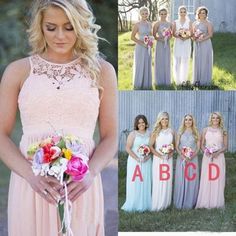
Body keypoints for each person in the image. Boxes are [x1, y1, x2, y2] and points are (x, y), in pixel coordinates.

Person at [0, 1, 118, 235]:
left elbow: (111, 136)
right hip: (31, 186)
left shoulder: (102, 71)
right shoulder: (18, 71)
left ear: (81, 25)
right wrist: (29, 175)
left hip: (81, 186)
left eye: (69, 27)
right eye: (51, 27)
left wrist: (90, 173)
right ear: (40, 27)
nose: (60, 36)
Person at [196, 112, 227, 209]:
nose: (215, 120)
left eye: (217, 118)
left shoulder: (223, 131)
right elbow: (201, 144)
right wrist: (206, 151)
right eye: (213, 118)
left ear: (220, 119)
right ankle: (205, 201)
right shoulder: (205, 130)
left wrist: (217, 153)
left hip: (219, 157)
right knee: (207, 178)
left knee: (217, 178)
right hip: (207, 157)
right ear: (211, 119)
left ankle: (216, 202)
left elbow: (226, 146)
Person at [121, 115, 152, 212]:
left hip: (146, 161)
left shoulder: (150, 134)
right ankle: (134, 202)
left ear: (146, 123)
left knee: (145, 181)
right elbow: (127, 148)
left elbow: (152, 148)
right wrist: (137, 158)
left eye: (143, 122)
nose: (141, 124)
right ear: (136, 124)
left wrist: (147, 157)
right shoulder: (133, 134)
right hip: (135, 162)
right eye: (139, 123)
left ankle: (146, 203)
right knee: (136, 182)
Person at [149, 112, 174, 211]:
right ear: (159, 120)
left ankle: (166, 203)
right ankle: (157, 203)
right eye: (162, 119)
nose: (164, 121)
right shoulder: (155, 132)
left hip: (168, 159)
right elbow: (150, 146)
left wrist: (169, 154)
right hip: (158, 159)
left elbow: (173, 147)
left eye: (166, 119)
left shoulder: (172, 131)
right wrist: (160, 156)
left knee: (167, 180)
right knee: (158, 180)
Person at [174, 114, 200, 209]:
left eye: (190, 120)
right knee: (181, 179)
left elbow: (198, 147)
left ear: (192, 121)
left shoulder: (196, 132)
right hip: (181, 159)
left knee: (191, 179)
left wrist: (191, 156)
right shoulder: (180, 132)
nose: (188, 121)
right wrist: (182, 156)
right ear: (183, 121)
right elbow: (176, 146)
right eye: (186, 120)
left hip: (193, 159)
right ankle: (180, 201)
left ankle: (190, 201)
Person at [131, 7, 152, 90]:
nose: (144, 15)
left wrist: (150, 43)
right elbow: (132, 37)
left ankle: (146, 84)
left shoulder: (150, 24)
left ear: (148, 14)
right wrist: (142, 44)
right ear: (140, 14)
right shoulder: (137, 24)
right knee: (140, 64)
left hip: (148, 47)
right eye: (143, 13)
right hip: (140, 47)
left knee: (147, 63)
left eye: (146, 13)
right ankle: (139, 84)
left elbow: (150, 35)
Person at [192, 6, 213, 86]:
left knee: (204, 60)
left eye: (203, 13)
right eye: (200, 12)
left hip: (205, 44)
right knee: (197, 60)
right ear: (198, 13)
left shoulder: (208, 23)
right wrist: (194, 38)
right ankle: (197, 80)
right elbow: (193, 34)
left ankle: (204, 81)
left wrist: (202, 39)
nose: (201, 14)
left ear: (206, 14)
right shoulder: (194, 23)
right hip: (197, 44)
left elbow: (210, 34)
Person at [173, 6, 192, 85]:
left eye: (184, 12)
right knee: (177, 61)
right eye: (181, 12)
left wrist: (186, 37)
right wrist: (179, 36)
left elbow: (191, 33)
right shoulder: (175, 22)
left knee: (185, 61)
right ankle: (177, 80)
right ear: (179, 13)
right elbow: (173, 33)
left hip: (186, 42)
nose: (182, 13)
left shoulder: (189, 22)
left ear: (186, 13)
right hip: (178, 42)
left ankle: (183, 79)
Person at [153, 8, 172, 87]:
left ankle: (166, 80)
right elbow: (154, 35)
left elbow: (171, 35)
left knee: (166, 60)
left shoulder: (169, 24)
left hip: (167, 44)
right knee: (160, 60)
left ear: (167, 14)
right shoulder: (157, 24)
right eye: (161, 14)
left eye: (165, 14)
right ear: (159, 14)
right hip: (159, 44)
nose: (163, 15)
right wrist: (160, 39)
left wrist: (167, 37)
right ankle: (159, 80)